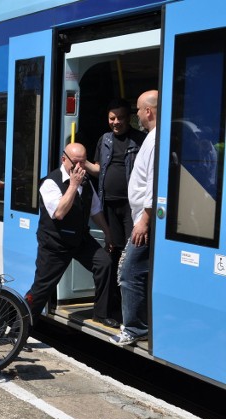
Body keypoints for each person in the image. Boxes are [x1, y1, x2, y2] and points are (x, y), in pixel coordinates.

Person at [24, 143, 114, 324]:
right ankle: (16, 329)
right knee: (41, 289)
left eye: (83, 163)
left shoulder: (86, 181)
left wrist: (107, 233)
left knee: (104, 263)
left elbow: (95, 209)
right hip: (55, 244)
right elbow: (59, 213)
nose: (80, 168)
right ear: (64, 159)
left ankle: (101, 314)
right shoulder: (50, 182)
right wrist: (73, 185)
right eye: (76, 163)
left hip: (79, 239)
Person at [83, 99, 146, 326]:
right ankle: (112, 305)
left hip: (132, 208)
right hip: (108, 205)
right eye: (112, 118)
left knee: (132, 254)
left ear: (128, 117)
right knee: (113, 252)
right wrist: (82, 163)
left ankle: (132, 308)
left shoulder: (140, 139)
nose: (116, 122)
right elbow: (99, 169)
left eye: (119, 118)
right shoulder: (105, 139)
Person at [110, 90, 158, 346]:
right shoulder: (153, 138)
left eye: (139, 110)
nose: (138, 114)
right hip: (142, 216)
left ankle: (136, 329)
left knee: (128, 272)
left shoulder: (155, 140)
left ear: (148, 112)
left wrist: (144, 220)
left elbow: (154, 184)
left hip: (144, 219)